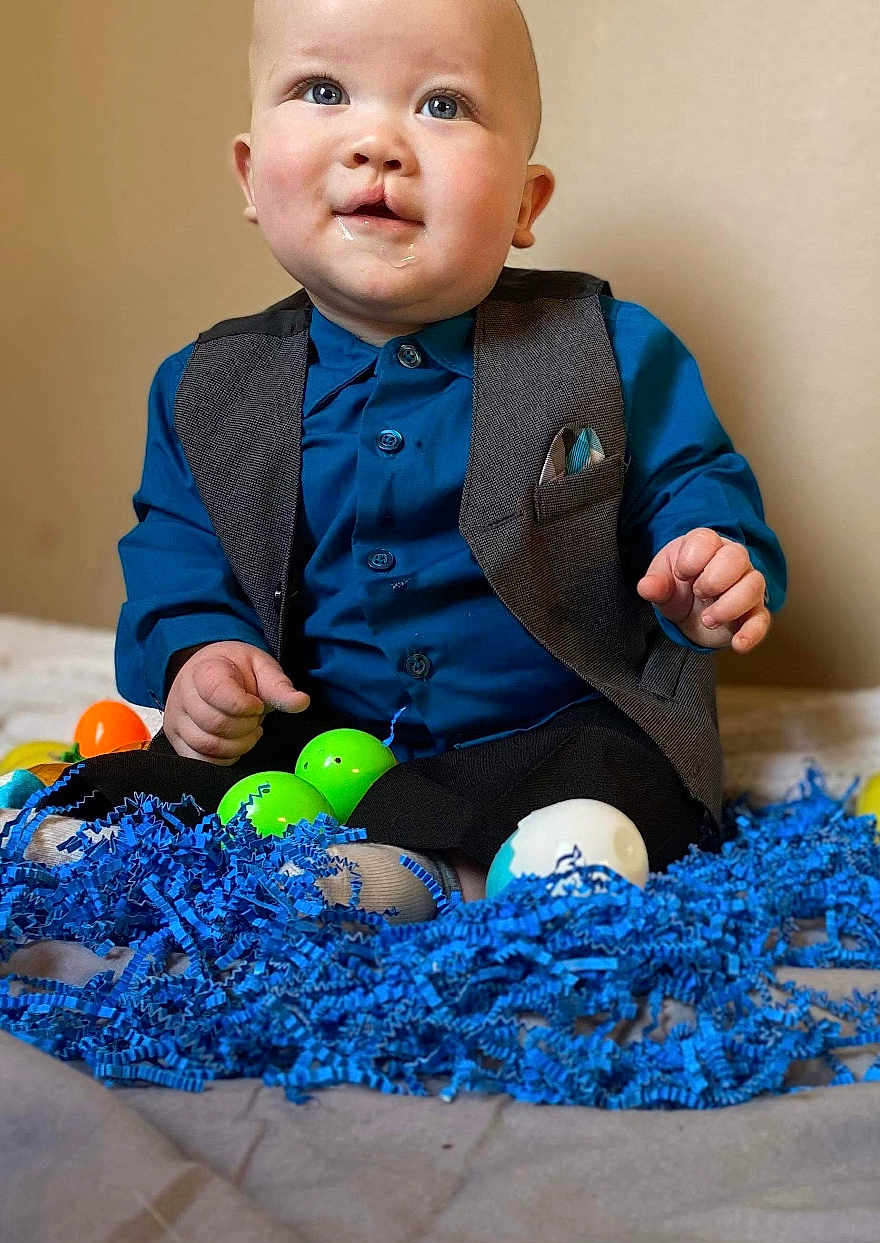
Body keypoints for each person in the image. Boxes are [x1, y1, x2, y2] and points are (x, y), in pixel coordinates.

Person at [24, 0, 786, 920]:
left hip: (545, 725)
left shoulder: (608, 350)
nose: (377, 145)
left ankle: (443, 876)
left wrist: (708, 564)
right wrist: (202, 655)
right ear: (252, 176)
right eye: (323, 91)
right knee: (148, 781)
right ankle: (152, 848)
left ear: (524, 205)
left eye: (442, 106)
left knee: (628, 777)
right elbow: (178, 555)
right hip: (312, 735)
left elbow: (694, 484)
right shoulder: (206, 389)